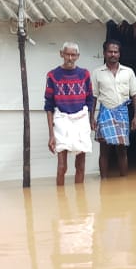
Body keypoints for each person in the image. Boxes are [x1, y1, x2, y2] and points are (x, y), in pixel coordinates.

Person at [45, 42, 96, 186]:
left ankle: (80, 202)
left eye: (73, 55)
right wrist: (51, 134)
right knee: (62, 167)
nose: (70, 58)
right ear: (61, 54)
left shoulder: (84, 74)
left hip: (81, 119)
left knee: (80, 166)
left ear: (78, 56)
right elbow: (48, 106)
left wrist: (91, 119)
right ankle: (61, 203)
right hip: (61, 120)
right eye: (67, 54)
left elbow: (90, 99)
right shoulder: (53, 76)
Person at [91, 39, 136, 178]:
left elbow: (135, 96)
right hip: (105, 113)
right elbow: (93, 97)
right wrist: (91, 118)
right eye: (110, 51)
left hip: (122, 114)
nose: (113, 54)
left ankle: (123, 182)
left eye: (116, 51)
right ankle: (104, 183)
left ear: (119, 54)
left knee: (122, 150)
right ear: (104, 53)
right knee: (104, 151)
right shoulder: (97, 73)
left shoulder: (128, 72)